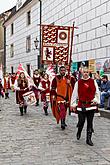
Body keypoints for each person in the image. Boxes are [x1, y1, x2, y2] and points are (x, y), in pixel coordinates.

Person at [70, 67, 100, 146]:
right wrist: (73, 104)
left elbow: (97, 92)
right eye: (84, 72)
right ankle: (79, 130)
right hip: (81, 105)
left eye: (87, 72)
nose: (86, 73)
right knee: (81, 121)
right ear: (82, 73)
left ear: (89, 73)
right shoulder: (78, 82)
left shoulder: (93, 81)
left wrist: (96, 100)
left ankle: (88, 139)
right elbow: (74, 94)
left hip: (91, 105)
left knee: (90, 123)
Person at [50, 66, 72, 130]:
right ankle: (62, 122)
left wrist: (69, 83)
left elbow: (72, 86)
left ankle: (63, 121)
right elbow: (53, 88)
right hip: (59, 97)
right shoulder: (56, 78)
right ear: (59, 71)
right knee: (62, 109)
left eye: (64, 70)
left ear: (65, 71)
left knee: (65, 110)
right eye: (61, 70)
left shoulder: (69, 78)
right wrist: (53, 95)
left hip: (67, 97)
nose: (63, 71)